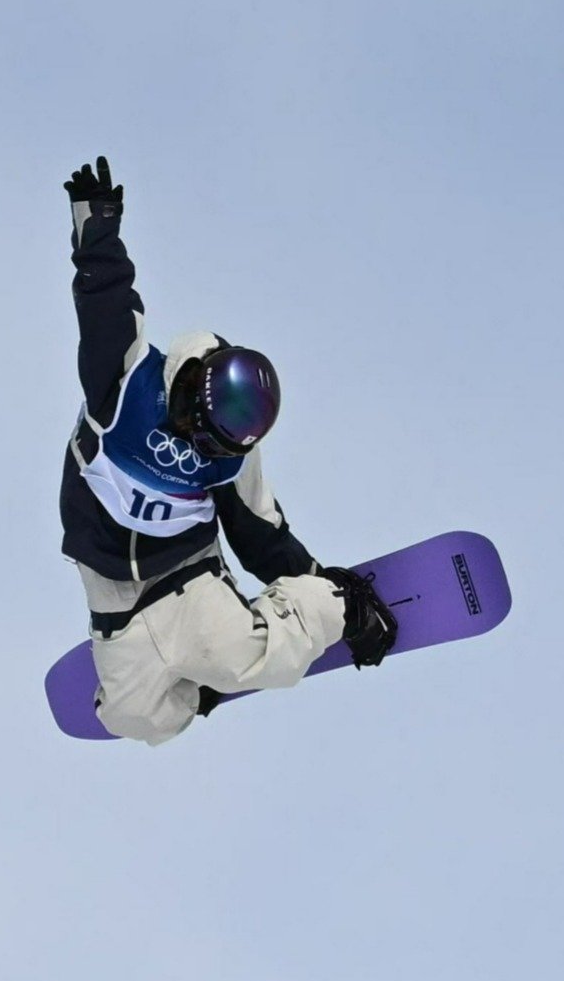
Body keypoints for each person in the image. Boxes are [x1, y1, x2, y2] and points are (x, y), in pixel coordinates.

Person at [58, 156, 396, 745]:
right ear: (190, 389)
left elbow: (257, 531)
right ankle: (199, 674)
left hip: (188, 576)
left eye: (225, 442)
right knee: (133, 719)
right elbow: (104, 300)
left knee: (264, 657)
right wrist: (96, 224)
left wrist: (316, 579)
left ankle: (331, 606)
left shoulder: (231, 455)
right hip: (109, 579)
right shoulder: (129, 379)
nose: (204, 449)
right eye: (203, 430)